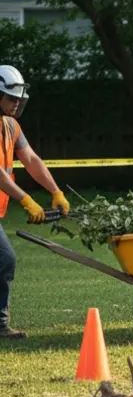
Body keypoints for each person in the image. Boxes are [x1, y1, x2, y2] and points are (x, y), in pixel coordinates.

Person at [0, 65, 70, 339]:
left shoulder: (11, 126)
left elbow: (31, 160)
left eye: (19, 99)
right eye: (10, 98)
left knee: (3, 262)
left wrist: (55, 192)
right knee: (4, 260)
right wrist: (27, 200)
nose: (16, 103)